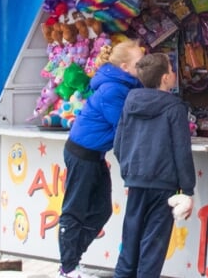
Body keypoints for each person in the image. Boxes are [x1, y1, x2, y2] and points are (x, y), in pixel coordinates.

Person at [58, 40, 144, 278]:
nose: (144, 65)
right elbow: (124, 127)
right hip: (82, 153)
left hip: (94, 155)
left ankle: (72, 259)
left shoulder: (124, 85)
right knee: (75, 210)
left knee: (101, 210)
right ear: (125, 66)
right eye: (140, 62)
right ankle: (67, 267)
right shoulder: (113, 90)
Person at [113, 53, 195, 278]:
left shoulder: (130, 101)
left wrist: (130, 172)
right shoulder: (175, 107)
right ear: (165, 78)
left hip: (136, 183)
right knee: (152, 249)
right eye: (171, 69)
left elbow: (118, 145)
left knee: (130, 245)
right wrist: (187, 190)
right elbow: (181, 150)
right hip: (163, 187)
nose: (174, 73)